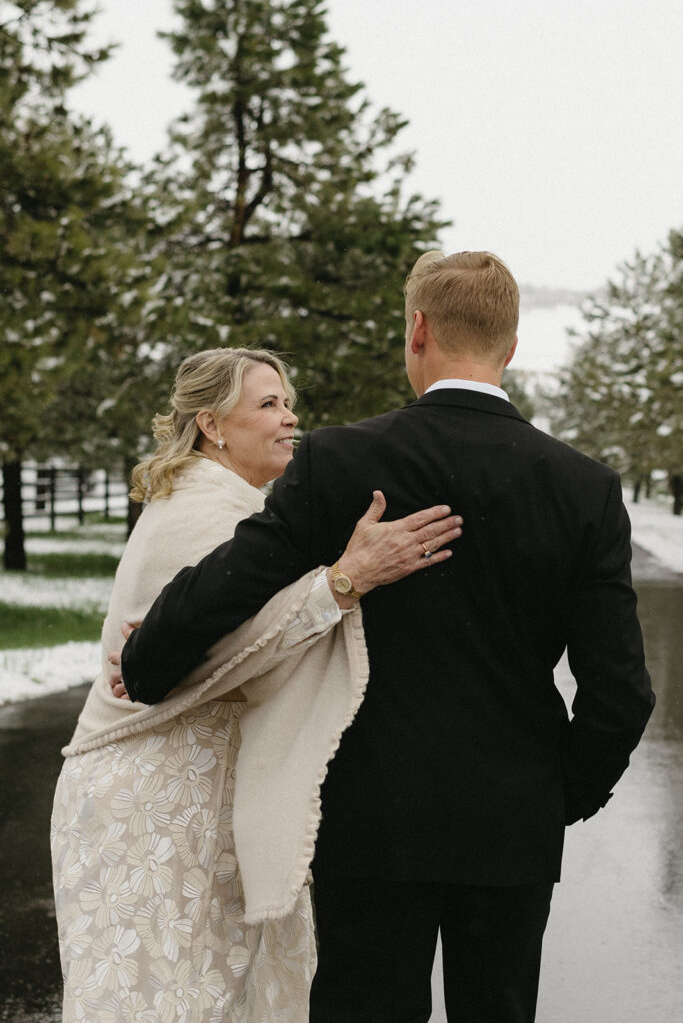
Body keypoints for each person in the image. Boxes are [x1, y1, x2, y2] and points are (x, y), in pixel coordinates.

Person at [121, 253, 655, 1023]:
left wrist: (146, 660)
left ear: (417, 331)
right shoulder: (582, 486)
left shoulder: (341, 460)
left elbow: (231, 582)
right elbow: (619, 693)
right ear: (509, 347)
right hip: (510, 821)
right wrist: (552, 796)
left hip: (368, 815)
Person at [50, 346, 461, 1023]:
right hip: (153, 797)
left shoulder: (234, 506)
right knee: (170, 1000)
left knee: (224, 994)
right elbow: (230, 657)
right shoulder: (200, 513)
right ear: (213, 425)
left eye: (288, 402)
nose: (289, 418)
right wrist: (345, 580)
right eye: (267, 404)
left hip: (200, 789)